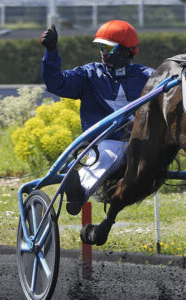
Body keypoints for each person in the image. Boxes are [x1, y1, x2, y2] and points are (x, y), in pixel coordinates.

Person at [40, 20, 153, 215]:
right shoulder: (89, 75)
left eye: (108, 47)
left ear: (127, 50)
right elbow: (56, 84)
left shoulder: (148, 76)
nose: (103, 52)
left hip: (142, 144)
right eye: (101, 46)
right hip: (105, 146)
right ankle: (79, 193)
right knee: (111, 150)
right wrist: (51, 52)